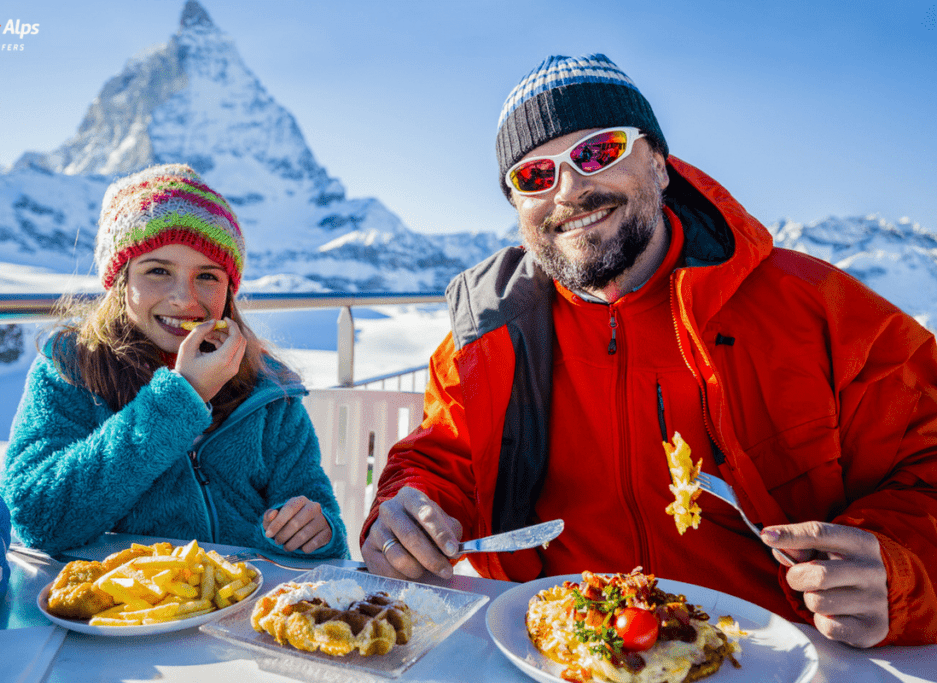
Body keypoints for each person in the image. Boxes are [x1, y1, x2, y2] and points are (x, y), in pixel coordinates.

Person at [360, 54, 937, 648]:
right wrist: (409, 514)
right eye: (535, 176)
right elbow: (440, 462)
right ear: (517, 207)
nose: (571, 190)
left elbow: (928, 461)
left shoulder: (819, 309)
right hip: (556, 645)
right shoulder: (485, 336)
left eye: (598, 151)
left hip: (778, 652)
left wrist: (901, 572)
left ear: (660, 165)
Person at [1, 163, 348, 559]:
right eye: (158, 271)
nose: (184, 299)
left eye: (207, 277)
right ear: (120, 281)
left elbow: (319, 517)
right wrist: (182, 398)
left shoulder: (270, 390)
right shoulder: (70, 370)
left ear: (229, 292)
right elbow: (34, 517)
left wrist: (318, 531)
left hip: (243, 609)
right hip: (117, 611)